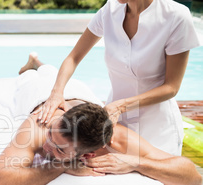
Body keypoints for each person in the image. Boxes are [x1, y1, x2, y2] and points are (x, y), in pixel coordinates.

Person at [0, 55, 202, 185]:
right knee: (30, 78)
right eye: (52, 136)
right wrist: (60, 166)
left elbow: (194, 177)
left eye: (60, 149)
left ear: (88, 153)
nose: (46, 145)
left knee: (48, 72)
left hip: (82, 93)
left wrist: (136, 163)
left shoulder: (117, 139)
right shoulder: (40, 124)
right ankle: (33, 65)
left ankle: (38, 63)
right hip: (39, 94)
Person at [32, 0, 200, 156]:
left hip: (157, 127)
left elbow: (171, 87)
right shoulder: (110, 10)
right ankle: (35, 64)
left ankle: (35, 63)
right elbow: (73, 58)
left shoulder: (176, 16)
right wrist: (57, 93)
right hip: (114, 123)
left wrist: (120, 106)